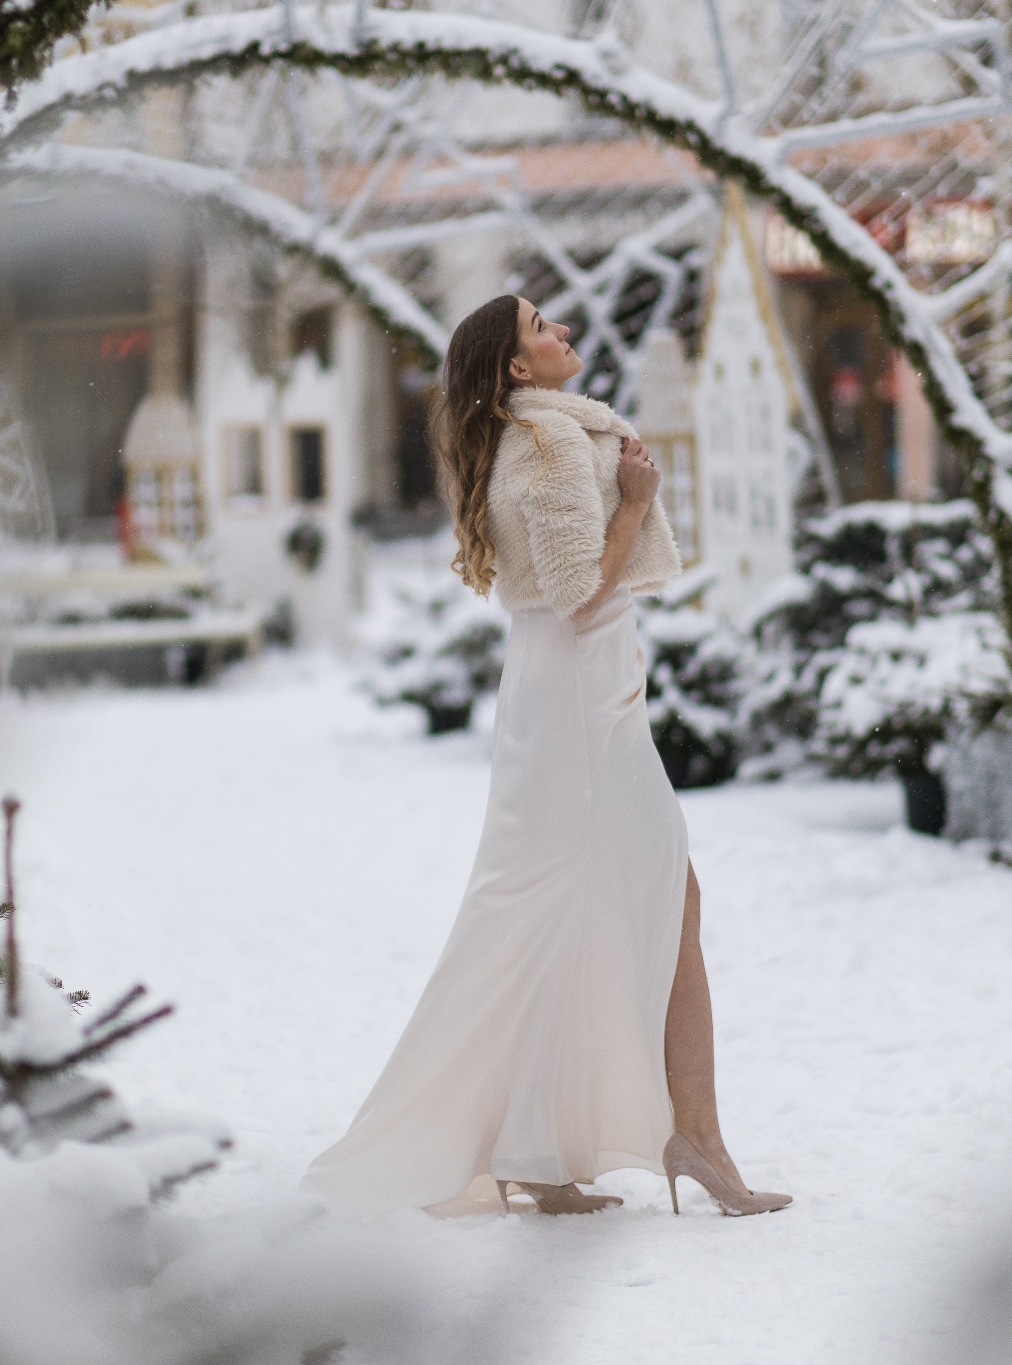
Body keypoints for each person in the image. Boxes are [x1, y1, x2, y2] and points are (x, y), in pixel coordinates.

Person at [303, 295, 790, 1219]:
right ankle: (697, 1140)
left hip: (574, 689)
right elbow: (576, 593)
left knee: (572, 911)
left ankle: (548, 1148)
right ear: (518, 368)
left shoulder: (541, 435)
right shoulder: (552, 444)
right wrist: (638, 503)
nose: (564, 327)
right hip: (579, 701)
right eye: (541, 325)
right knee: (652, 899)